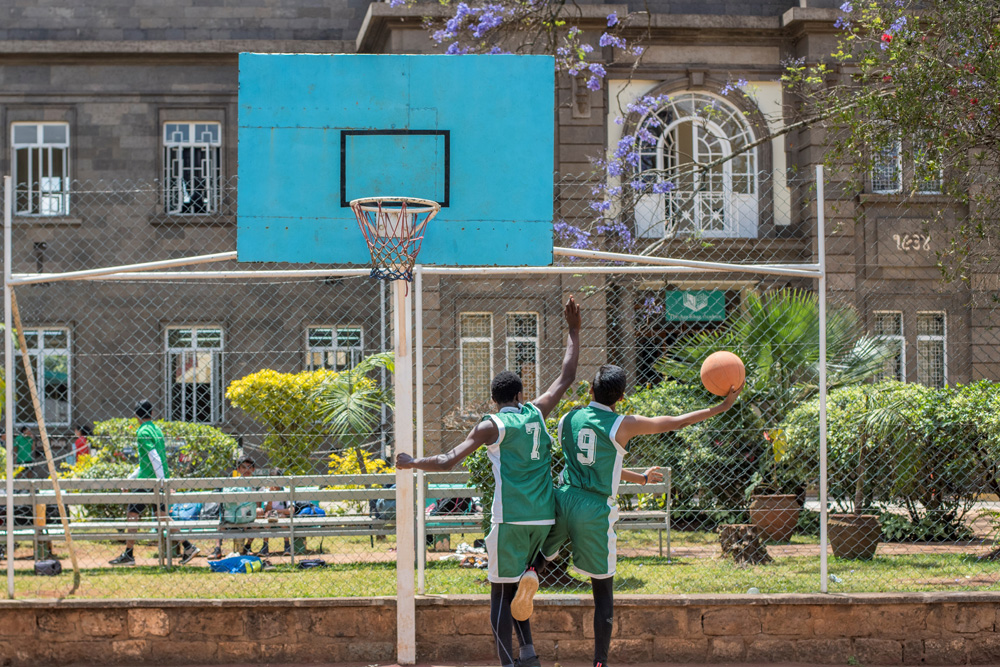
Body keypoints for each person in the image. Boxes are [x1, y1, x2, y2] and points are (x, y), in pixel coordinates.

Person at [397, 295, 581, 667]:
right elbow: (565, 378)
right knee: (519, 592)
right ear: (519, 395)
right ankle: (528, 653)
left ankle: (508, 664)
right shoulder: (536, 412)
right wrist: (574, 331)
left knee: (498, 596)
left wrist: (411, 461)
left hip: (510, 519)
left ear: (495, 399)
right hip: (543, 519)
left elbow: (448, 461)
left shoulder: (491, 425)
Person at [538, 364, 742, 667]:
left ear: (591, 390)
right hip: (594, 510)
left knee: (542, 554)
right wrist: (721, 406)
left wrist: (639, 478)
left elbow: (592, 461)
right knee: (603, 592)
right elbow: (675, 422)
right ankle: (599, 663)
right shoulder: (623, 424)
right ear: (621, 397)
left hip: (563, 498)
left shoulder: (568, 419)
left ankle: (532, 571)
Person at [109, 400, 199, 566]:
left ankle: (129, 554)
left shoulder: (142, 431)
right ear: (151, 414)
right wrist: (133, 480)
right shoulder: (157, 430)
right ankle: (188, 547)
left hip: (148, 482)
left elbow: (153, 456)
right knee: (162, 515)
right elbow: (149, 461)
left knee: (133, 515)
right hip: (157, 479)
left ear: (136, 416)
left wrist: (161, 482)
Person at [208, 455, 259, 560]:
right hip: (233, 515)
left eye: (249, 467)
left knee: (260, 512)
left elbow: (258, 504)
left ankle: (247, 547)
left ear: (253, 469)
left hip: (249, 516)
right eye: (244, 467)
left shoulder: (257, 484)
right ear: (238, 469)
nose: (247, 470)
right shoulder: (232, 482)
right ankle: (218, 549)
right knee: (221, 518)